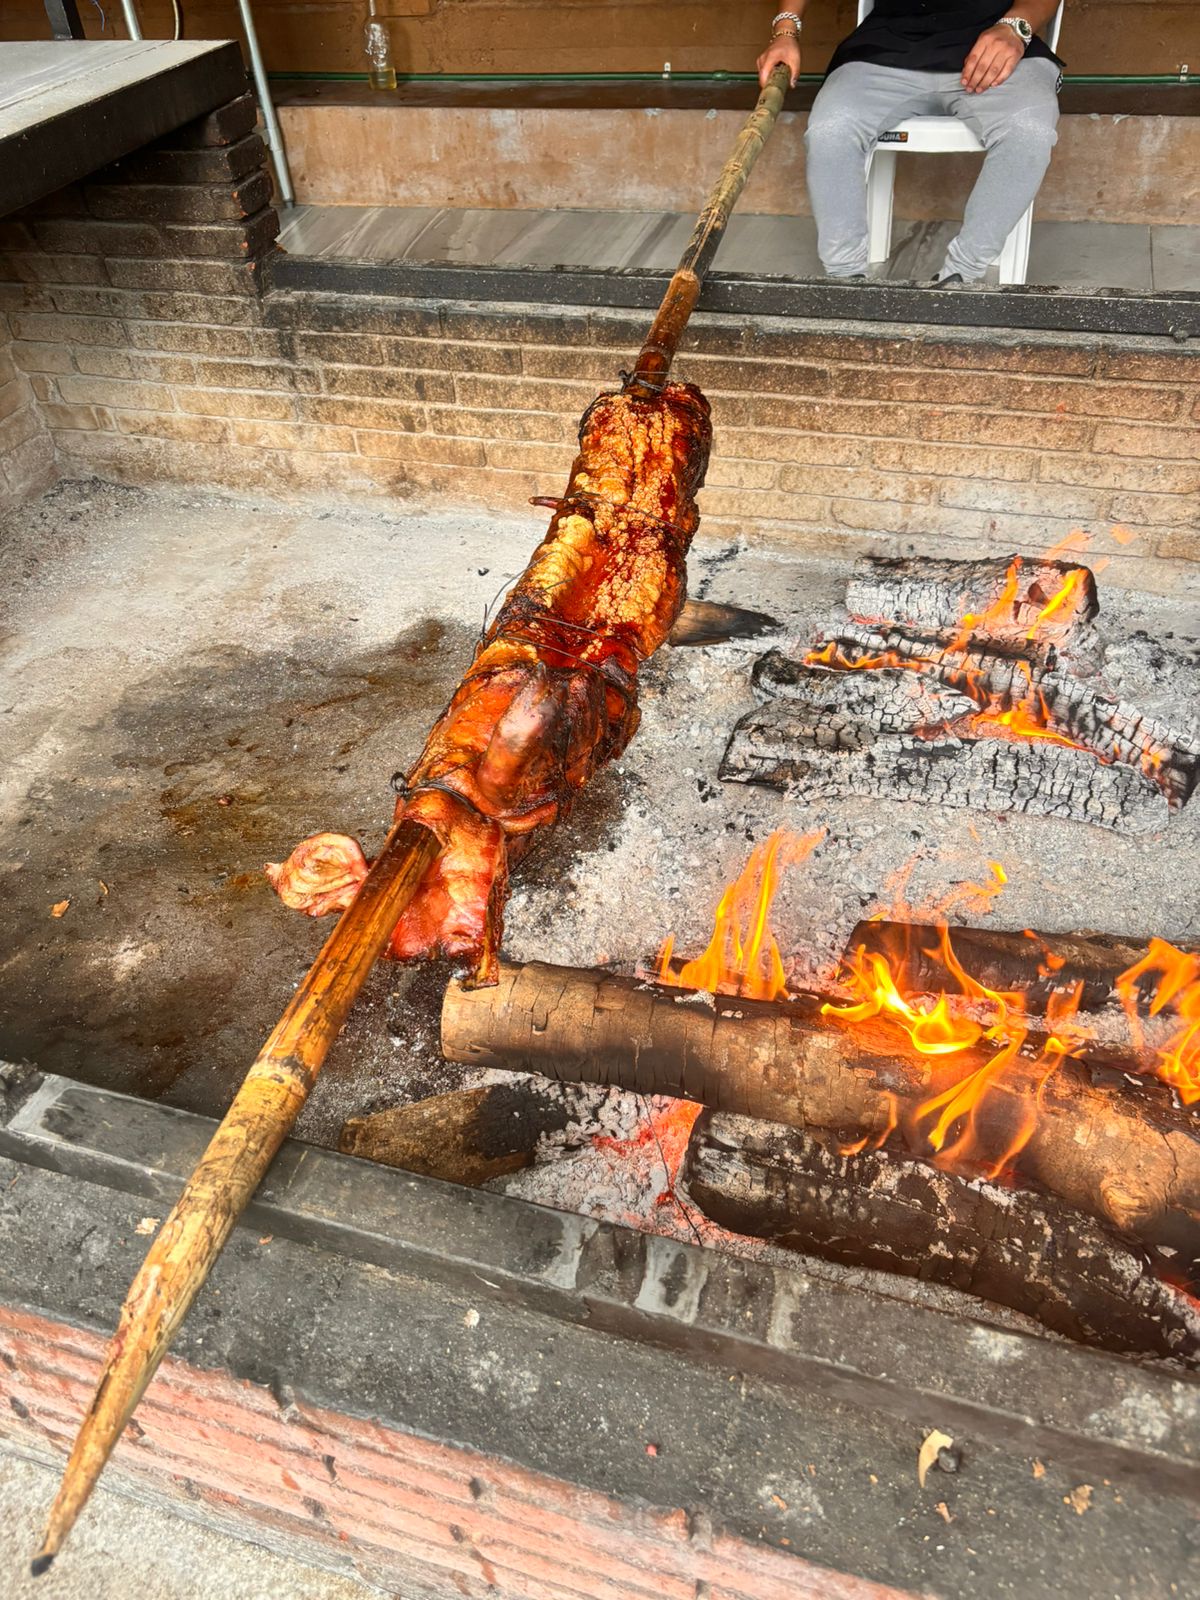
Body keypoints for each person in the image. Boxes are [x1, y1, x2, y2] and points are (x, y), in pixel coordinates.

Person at [757, 3, 1065, 284]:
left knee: (1028, 130)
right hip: (885, 50)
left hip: (997, 49)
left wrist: (1016, 26)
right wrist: (785, 31)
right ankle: (845, 281)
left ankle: (960, 278)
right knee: (832, 128)